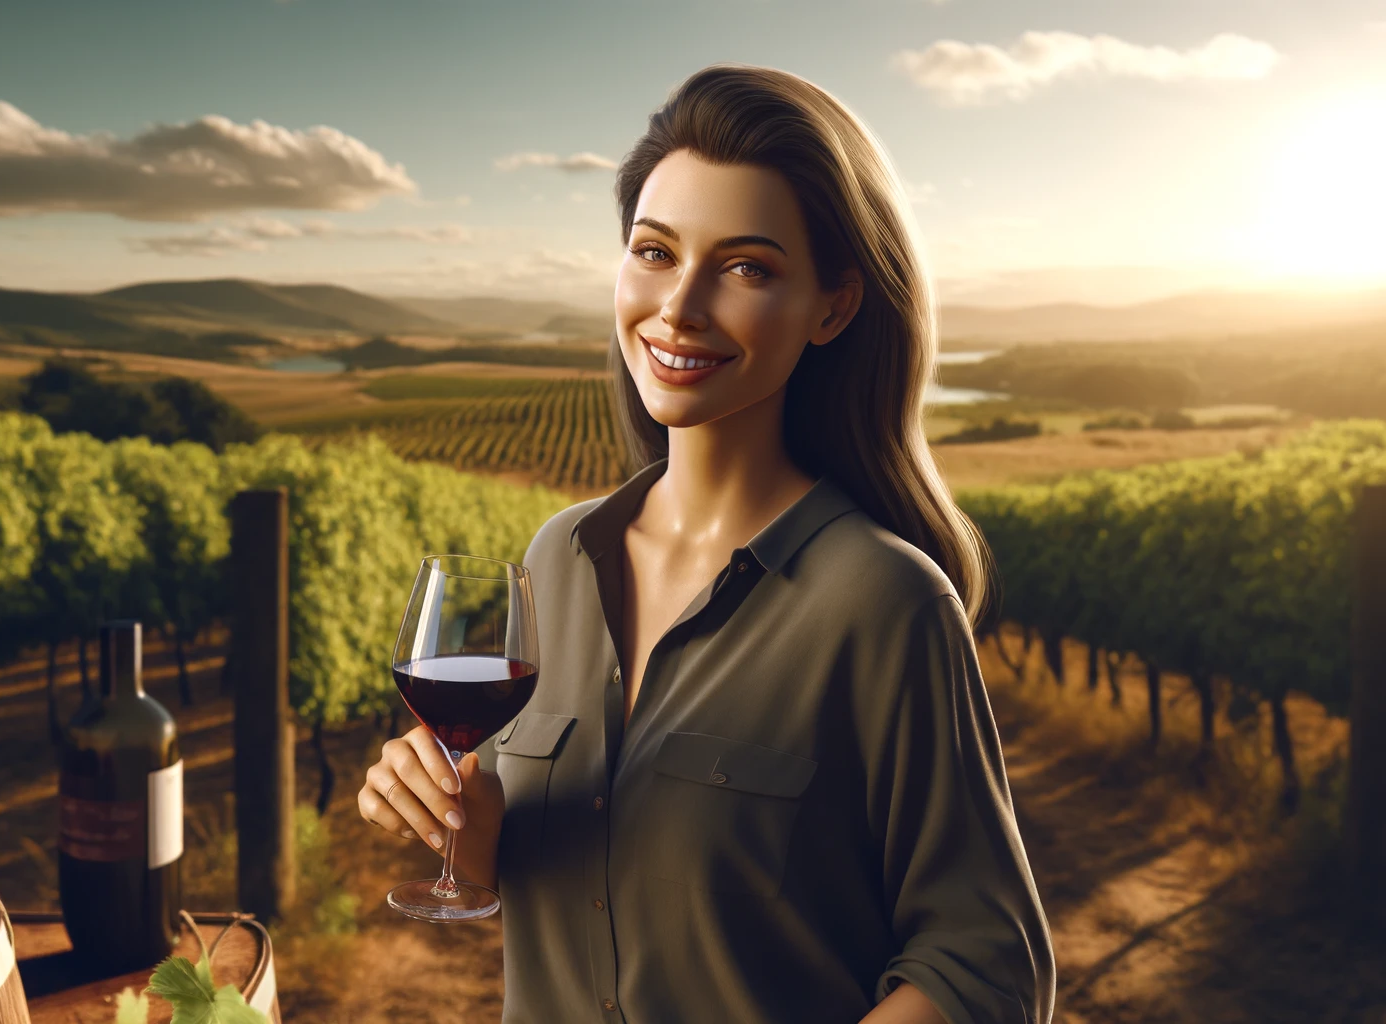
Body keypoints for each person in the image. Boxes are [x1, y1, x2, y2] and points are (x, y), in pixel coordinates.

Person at [358, 62, 1057, 1024]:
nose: (679, 307)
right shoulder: (559, 558)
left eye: (745, 268)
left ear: (834, 307)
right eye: (654, 251)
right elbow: (574, 878)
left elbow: (987, 970)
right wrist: (468, 829)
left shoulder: (886, 603)